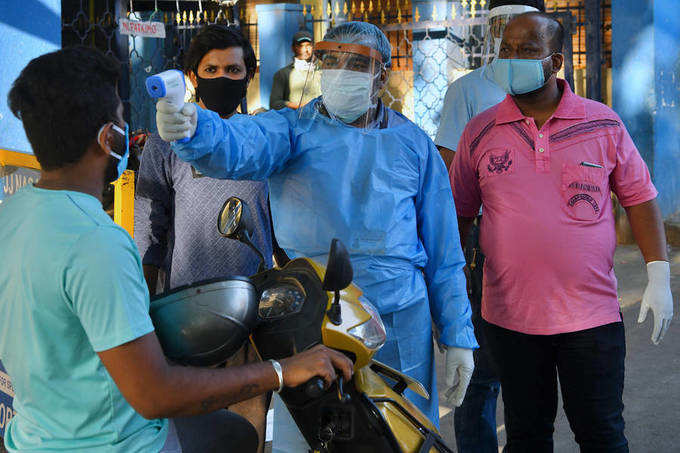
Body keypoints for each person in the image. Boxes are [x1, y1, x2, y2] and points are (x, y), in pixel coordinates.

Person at [0, 46, 353, 453]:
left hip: (33, 436)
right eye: (119, 116)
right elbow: (156, 395)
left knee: (233, 433)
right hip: (117, 444)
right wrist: (281, 370)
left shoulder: (14, 213)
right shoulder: (96, 242)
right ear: (107, 138)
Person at [155, 20, 478, 429]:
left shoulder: (413, 144)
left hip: (398, 321)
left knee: (401, 433)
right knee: (313, 433)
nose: (342, 72)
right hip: (311, 318)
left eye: (357, 64)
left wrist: (458, 335)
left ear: (382, 73)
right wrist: (194, 129)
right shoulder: (291, 131)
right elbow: (239, 143)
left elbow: (445, 252)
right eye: (332, 61)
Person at [450, 12, 674, 452]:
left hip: (590, 318)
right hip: (509, 318)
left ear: (555, 62)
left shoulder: (603, 124)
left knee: (602, 434)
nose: (511, 59)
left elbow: (640, 198)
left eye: (526, 51)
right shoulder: (480, 132)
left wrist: (659, 275)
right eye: (506, 50)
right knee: (527, 436)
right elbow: (458, 214)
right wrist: (454, 292)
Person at [134, 25, 273, 452]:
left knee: (246, 436)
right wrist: (144, 313)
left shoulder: (267, 139)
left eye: (234, 69)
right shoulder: (164, 143)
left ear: (250, 74)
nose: (223, 78)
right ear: (193, 77)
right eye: (211, 69)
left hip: (256, 315)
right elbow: (150, 232)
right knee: (190, 438)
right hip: (185, 316)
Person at [434, 1, 543, 452]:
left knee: (529, 361)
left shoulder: (550, 89)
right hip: (482, 240)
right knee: (481, 364)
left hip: (535, 245)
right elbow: (449, 168)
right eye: (504, 29)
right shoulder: (469, 91)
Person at [269, 29, 321, 110]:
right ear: (293, 48)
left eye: (308, 45)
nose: (305, 50)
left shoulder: (321, 72)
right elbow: (274, 103)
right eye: (300, 46)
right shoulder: (283, 74)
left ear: (313, 47)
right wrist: (298, 106)